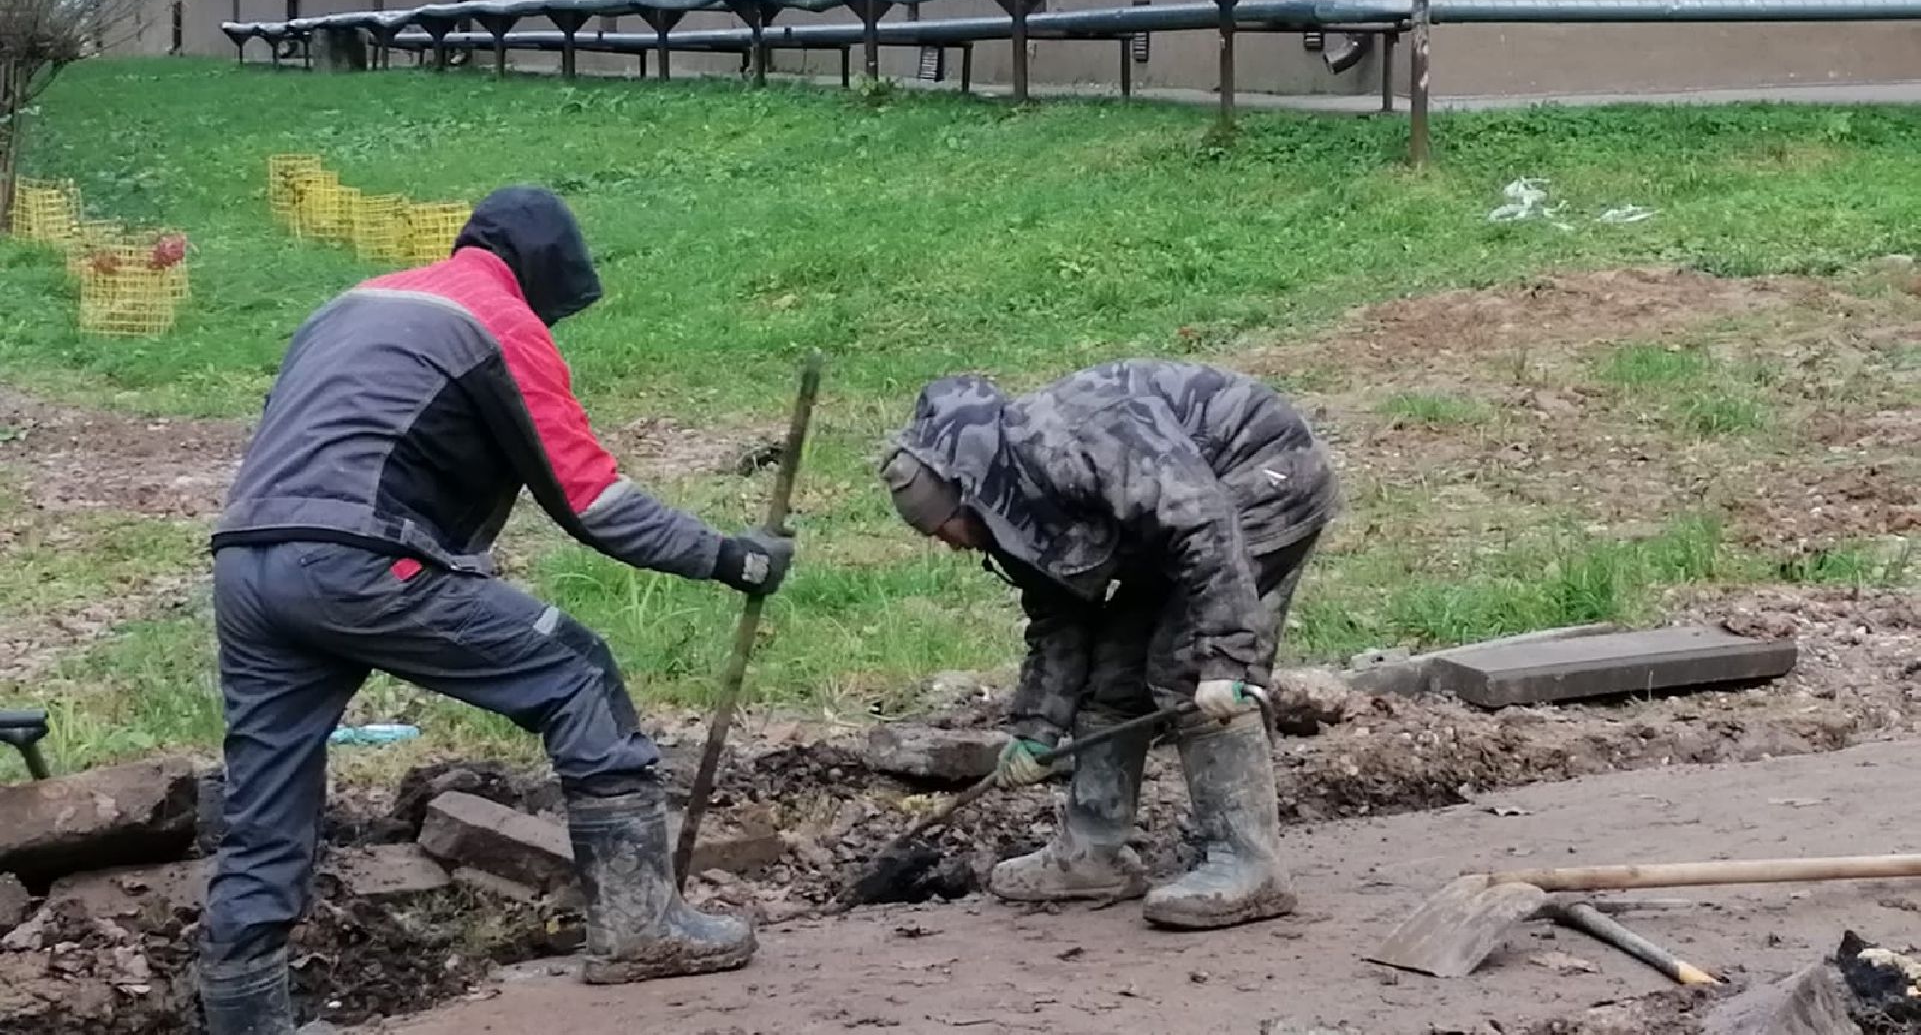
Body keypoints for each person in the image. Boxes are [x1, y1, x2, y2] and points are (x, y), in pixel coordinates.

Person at [200, 187, 792, 1034]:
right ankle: (638, 927)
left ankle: (248, 1023)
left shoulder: (352, 305)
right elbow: (593, 503)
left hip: (247, 564)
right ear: (544, 270)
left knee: (265, 805)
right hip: (356, 564)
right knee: (575, 673)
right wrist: (729, 556)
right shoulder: (496, 321)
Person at [879, 359, 1337, 929]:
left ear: (962, 495)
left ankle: (1248, 862)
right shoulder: (1008, 507)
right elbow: (1060, 616)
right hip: (1178, 525)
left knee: (1184, 662)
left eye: (941, 527)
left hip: (1264, 478)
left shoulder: (1073, 441)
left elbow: (1202, 524)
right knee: (1115, 668)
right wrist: (1036, 730)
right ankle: (1092, 853)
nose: (947, 545)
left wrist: (1224, 659)